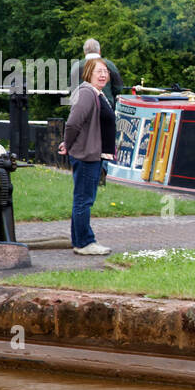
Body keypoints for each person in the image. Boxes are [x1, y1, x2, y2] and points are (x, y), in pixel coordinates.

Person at [58, 57, 113, 255]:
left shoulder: (96, 94)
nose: (103, 75)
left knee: (82, 198)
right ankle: (84, 243)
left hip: (93, 154)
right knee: (84, 200)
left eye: (105, 71)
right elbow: (73, 123)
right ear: (88, 73)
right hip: (86, 155)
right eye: (98, 71)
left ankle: (79, 240)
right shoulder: (87, 93)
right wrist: (69, 143)